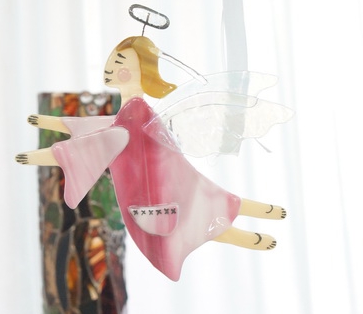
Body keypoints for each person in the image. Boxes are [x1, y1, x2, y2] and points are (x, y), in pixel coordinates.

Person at [16, 36, 286, 281]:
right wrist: (53, 123)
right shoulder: (133, 109)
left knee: (196, 217)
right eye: (112, 60)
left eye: (118, 62)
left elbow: (104, 140)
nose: (109, 67)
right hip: (157, 183)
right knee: (205, 206)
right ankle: (263, 216)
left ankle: (253, 229)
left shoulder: (135, 109)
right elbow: (105, 127)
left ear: (138, 72)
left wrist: (49, 155)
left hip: (152, 190)